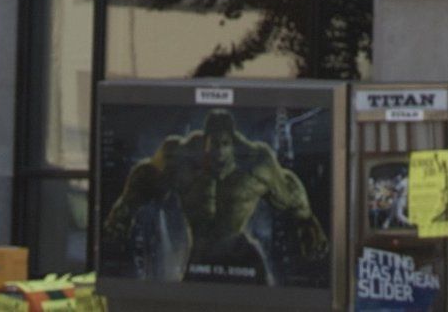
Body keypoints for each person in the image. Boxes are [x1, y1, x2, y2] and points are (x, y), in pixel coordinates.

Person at [102, 107, 327, 283]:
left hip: (243, 256)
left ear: (233, 143)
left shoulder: (255, 161)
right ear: (204, 143)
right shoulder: (181, 156)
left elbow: (288, 189)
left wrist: (307, 222)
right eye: (214, 145)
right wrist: (121, 213)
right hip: (200, 256)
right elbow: (145, 175)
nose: (219, 152)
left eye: (225, 144)